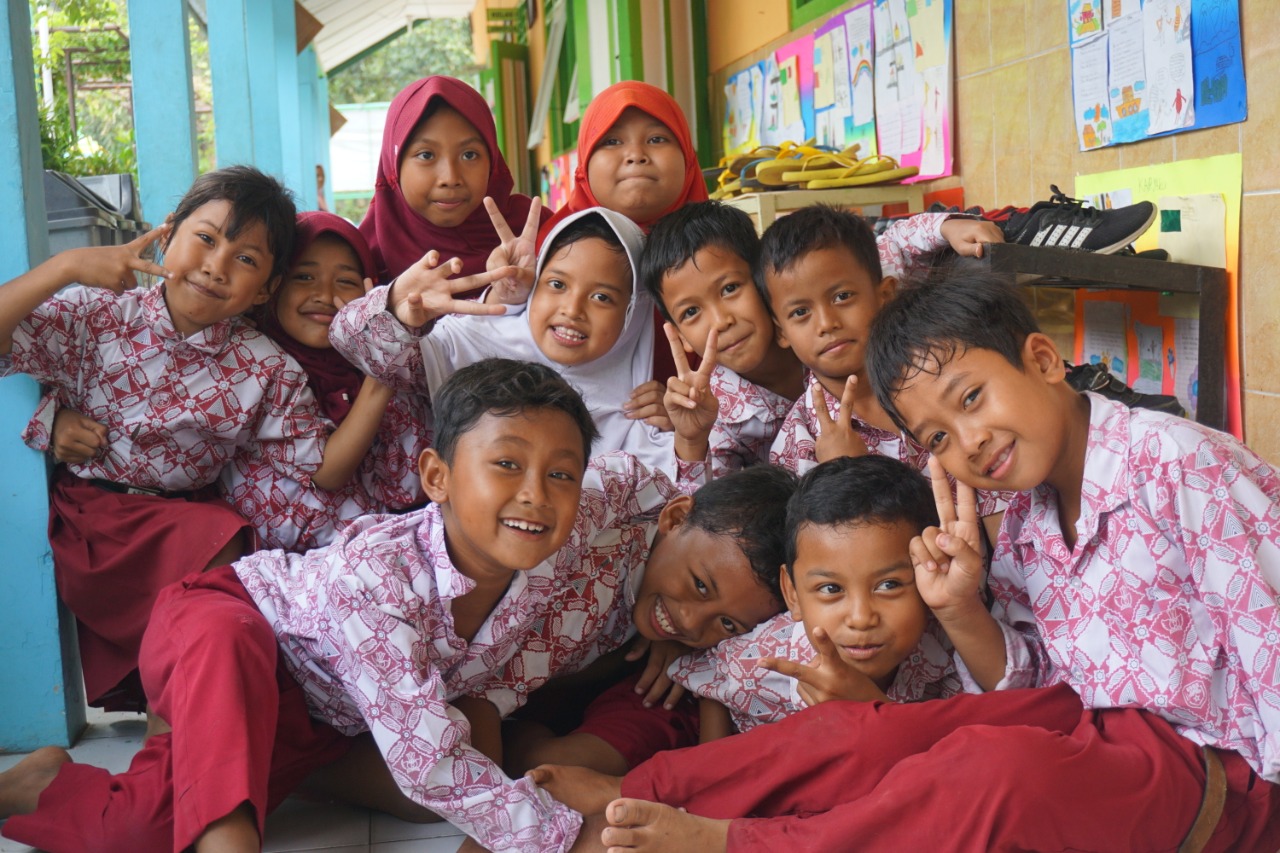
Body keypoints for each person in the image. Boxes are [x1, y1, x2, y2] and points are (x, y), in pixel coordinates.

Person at [543, 271, 1280, 853]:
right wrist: (961, 607)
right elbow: (1019, 684)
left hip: (1211, 767)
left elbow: (1271, 645)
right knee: (866, 728)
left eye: (972, 397)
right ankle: (641, 790)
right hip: (1086, 731)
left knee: (993, 774)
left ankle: (736, 843)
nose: (970, 442)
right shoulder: (1021, 513)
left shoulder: (1182, 464)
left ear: (1043, 359)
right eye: (935, 437)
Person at [0, 165, 328, 711]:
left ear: (266, 288)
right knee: (219, 544)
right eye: (204, 238)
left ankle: (189, 709)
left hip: (185, 521)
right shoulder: (97, 316)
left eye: (245, 259)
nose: (215, 266)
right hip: (96, 522)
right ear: (167, 233)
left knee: (242, 559)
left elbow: (307, 467)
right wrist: (66, 267)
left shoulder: (269, 369)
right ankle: (183, 713)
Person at [644, 200, 1005, 477]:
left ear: (763, 279)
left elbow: (889, 245)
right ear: (680, 336)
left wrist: (946, 226)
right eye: (692, 312)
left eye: (730, 288)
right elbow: (711, 509)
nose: (721, 321)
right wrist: (690, 440)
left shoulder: (828, 294)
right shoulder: (720, 410)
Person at [333, 206, 677, 475]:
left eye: (602, 297)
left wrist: (687, 435)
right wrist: (398, 307)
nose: (572, 310)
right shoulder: (475, 343)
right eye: (556, 284)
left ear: (634, 314)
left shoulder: (640, 412)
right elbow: (350, 343)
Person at [759, 204, 1009, 543]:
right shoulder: (797, 444)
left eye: (842, 296)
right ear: (781, 333)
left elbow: (999, 494)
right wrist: (846, 478)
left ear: (885, 296)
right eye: (801, 312)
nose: (826, 323)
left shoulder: (939, 379)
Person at [665, 454, 960, 740]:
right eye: (832, 589)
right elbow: (706, 675)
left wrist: (876, 710)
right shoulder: (758, 661)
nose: (860, 618)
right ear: (792, 593)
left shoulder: (944, 650)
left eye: (889, 585)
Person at [220, 211, 431, 551]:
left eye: (345, 281)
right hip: (289, 570)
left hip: (384, 553)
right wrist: (382, 365)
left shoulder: (383, 368)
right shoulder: (256, 367)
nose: (323, 294)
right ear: (273, 287)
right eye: (303, 277)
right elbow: (328, 472)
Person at [359, 75, 549, 294]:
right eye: (426, 155)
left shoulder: (538, 234)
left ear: (492, 162)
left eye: (469, 155)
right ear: (394, 167)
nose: (450, 178)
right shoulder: (360, 261)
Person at [539, 80, 707, 242]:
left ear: (687, 160)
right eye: (612, 142)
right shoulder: (550, 256)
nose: (636, 155)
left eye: (656, 139)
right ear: (584, 167)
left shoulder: (725, 248)